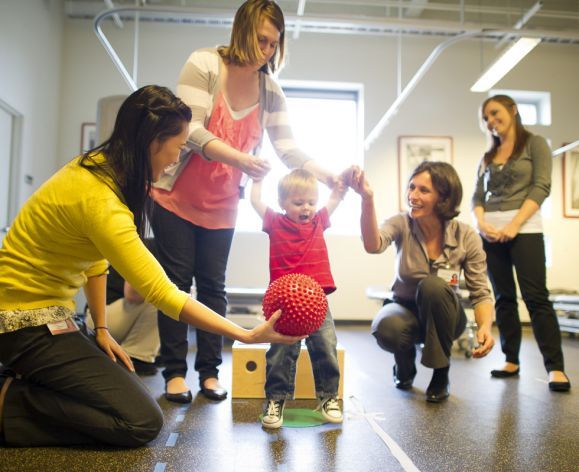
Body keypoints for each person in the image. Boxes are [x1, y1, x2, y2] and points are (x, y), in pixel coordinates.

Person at [0, 85, 305, 448]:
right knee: (139, 423)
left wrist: (100, 327)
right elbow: (162, 292)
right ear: (153, 141)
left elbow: (95, 262)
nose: (176, 159)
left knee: (115, 399)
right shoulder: (101, 200)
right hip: (22, 322)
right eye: (177, 147)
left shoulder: (98, 169)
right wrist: (245, 335)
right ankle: (8, 403)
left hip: (53, 317)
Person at [150, 0, 336, 403]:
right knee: (176, 284)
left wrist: (329, 175)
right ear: (241, 31)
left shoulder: (270, 91)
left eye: (274, 44)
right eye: (261, 39)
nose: (266, 51)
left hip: (221, 205)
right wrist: (241, 159)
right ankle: (175, 372)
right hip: (173, 197)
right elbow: (191, 131)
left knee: (214, 289)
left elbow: (288, 148)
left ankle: (210, 373)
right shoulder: (203, 64)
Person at [349, 161, 495, 402]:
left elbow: (481, 292)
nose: (413, 196)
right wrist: (367, 199)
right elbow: (372, 244)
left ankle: (441, 373)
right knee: (387, 328)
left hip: (446, 315)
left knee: (434, 286)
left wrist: (485, 328)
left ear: (444, 197)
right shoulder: (401, 223)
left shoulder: (466, 235)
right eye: (411, 187)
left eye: (423, 190)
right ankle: (404, 367)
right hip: (404, 308)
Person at [472, 94, 570, 392]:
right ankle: (511, 359)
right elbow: (477, 196)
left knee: (536, 297)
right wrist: (482, 223)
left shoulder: (535, 144)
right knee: (503, 298)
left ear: (513, 110)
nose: (490, 121)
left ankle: (556, 368)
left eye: (495, 113)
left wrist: (514, 225)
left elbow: (542, 185)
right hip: (490, 234)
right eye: (486, 117)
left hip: (525, 230)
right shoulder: (488, 157)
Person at [250, 168, 347, 429]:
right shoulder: (275, 222)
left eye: (311, 202)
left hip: (317, 303)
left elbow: (336, 198)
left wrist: (339, 186)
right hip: (284, 306)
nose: (306, 208)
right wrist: (257, 180)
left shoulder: (318, 222)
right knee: (281, 350)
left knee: (326, 346)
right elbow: (255, 202)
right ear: (282, 203)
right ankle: (276, 399)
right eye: (298, 203)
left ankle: (329, 397)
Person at [85, 238, 160, 376]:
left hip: (116, 318)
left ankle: (138, 353)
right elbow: (131, 294)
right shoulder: (149, 246)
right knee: (160, 299)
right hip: (98, 320)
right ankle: (136, 357)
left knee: (166, 298)